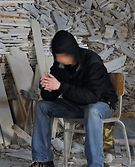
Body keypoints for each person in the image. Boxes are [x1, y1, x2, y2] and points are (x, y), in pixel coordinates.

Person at [30, 30, 118, 167]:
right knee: (42, 106)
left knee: (92, 110)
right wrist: (48, 89)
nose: (58, 60)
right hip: (76, 105)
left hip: (102, 104)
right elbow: (51, 96)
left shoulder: (92, 62)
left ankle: (96, 164)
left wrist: (60, 86)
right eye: (56, 56)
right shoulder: (59, 64)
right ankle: (43, 160)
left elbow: (92, 96)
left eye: (62, 56)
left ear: (72, 52)